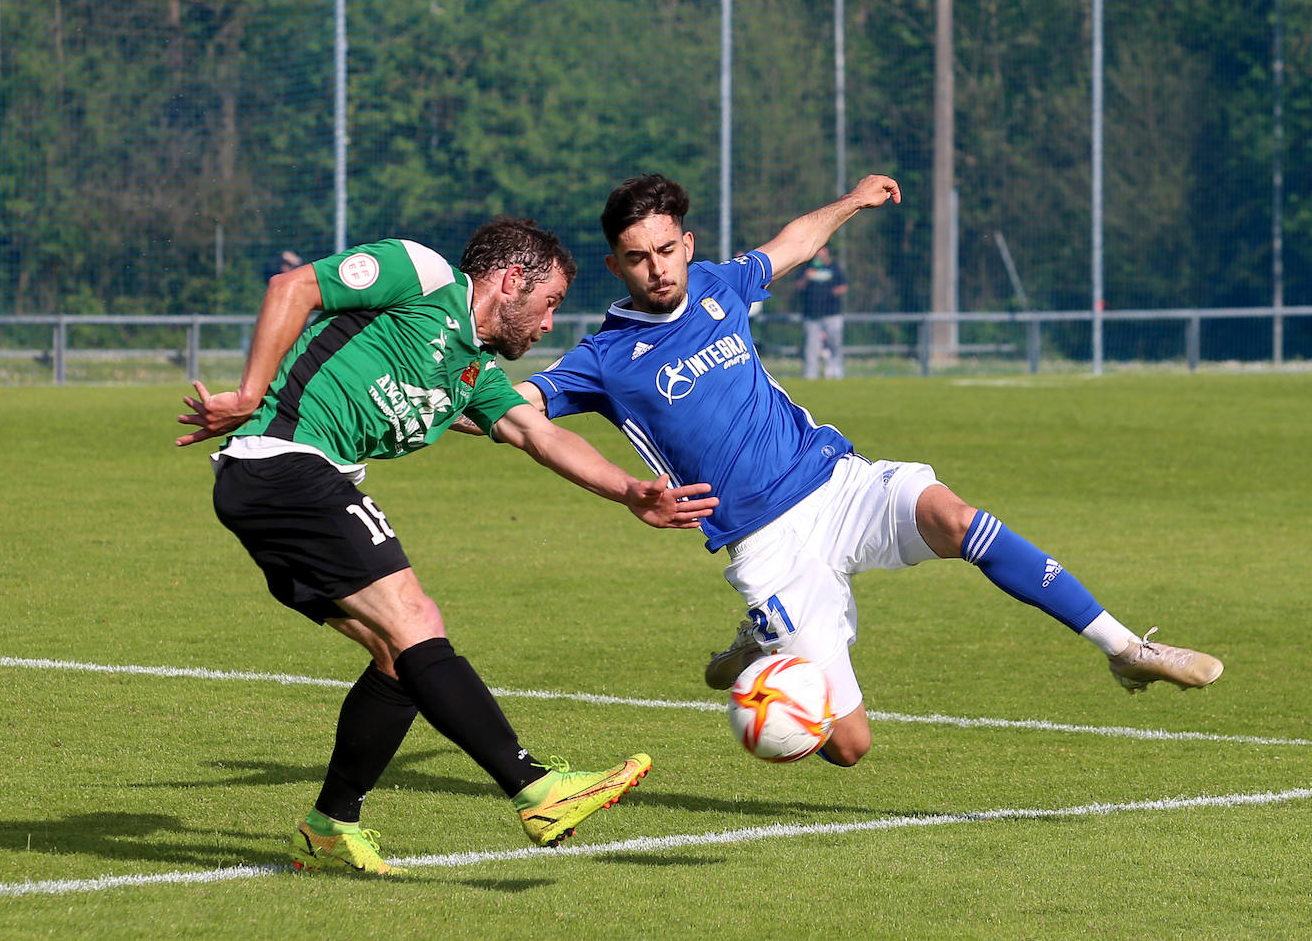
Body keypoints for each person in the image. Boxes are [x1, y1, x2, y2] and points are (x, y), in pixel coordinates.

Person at [509, 172, 1223, 769]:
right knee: (849, 747)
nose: (658, 268)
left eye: (668, 249)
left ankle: (1127, 648)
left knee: (957, 518)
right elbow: (516, 407)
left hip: (839, 482)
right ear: (616, 267)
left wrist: (851, 201)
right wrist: (455, 372)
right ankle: (766, 650)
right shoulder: (604, 358)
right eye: (638, 258)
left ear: (688, 243)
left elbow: (793, 243)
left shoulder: (721, 285)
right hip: (768, 549)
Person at [175, 218, 717, 874]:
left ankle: (328, 826)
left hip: (275, 486)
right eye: (548, 302)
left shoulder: (472, 373)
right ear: (512, 278)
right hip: (284, 462)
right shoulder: (423, 274)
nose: (549, 324)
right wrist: (252, 391)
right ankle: (536, 787)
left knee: (399, 657)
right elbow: (292, 286)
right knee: (418, 623)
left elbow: (539, 433)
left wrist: (630, 489)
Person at [793, 245, 847, 379]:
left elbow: (844, 286)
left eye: (821, 250)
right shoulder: (806, 267)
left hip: (832, 313)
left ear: (827, 252)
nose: (819, 254)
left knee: (835, 344)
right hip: (812, 314)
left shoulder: (834, 268)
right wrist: (806, 277)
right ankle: (810, 375)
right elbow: (798, 286)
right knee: (811, 347)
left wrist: (834, 292)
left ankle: (836, 372)